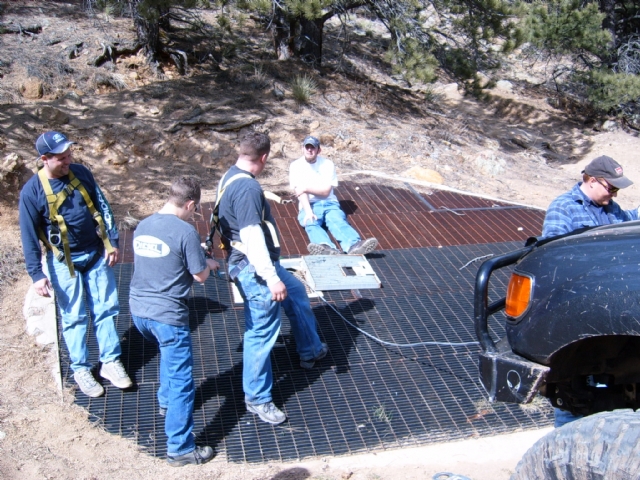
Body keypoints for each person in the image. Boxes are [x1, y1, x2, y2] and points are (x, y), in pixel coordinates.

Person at [217, 132, 328, 425]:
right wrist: (271, 279)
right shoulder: (247, 190)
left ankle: (311, 349)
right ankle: (257, 398)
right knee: (261, 334)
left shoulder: (231, 175)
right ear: (264, 157)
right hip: (254, 267)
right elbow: (252, 236)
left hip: (260, 262)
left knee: (297, 293)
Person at [19, 131, 132, 398]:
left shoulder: (81, 173)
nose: (69, 160)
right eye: (62, 157)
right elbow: (27, 234)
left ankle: (110, 362)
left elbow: (103, 206)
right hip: (63, 261)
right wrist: (36, 273)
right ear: (45, 159)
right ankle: (81, 368)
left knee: (106, 308)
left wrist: (111, 241)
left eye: (70, 154)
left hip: (94, 254)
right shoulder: (32, 192)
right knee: (74, 317)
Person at [129, 176, 219, 466]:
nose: (193, 214)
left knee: (168, 357)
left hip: (138, 311)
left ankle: (165, 402)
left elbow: (162, 260)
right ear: (190, 203)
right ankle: (180, 448)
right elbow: (200, 276)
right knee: (183, 380)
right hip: (167, 315)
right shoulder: (186, 232)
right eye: (195, 209)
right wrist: (210, 263)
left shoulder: (143, 225)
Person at [541, 155, 637, 427]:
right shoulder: (565, 208)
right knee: (577, 380)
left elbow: (627, 222)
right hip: (576, 303)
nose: (614, 193)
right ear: (591, 180)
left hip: (608, 301)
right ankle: (567, 437)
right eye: (611, 187)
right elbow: (554, 252)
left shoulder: (610, 208)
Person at [289, 135, 378, 255]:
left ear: (318, 150)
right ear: (302, 148)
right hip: (309, 204)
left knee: (337, 221)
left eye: (313, 148)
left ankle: (353, 245)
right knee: (310, 222)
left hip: (329, 203)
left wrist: (305, 188)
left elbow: (326, 192)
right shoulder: (296, 166)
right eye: (307, 147)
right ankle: (325, 247)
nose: (310, 150)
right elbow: (300, 193)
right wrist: (308, 211)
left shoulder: (327, 164)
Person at [542, 155, 637, 239]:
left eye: (617, 189)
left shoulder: (612, 207)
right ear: (593, 181)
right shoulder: (562, 207)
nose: (615, 195)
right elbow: (553, 248)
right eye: (612, 189)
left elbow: (629, 218)